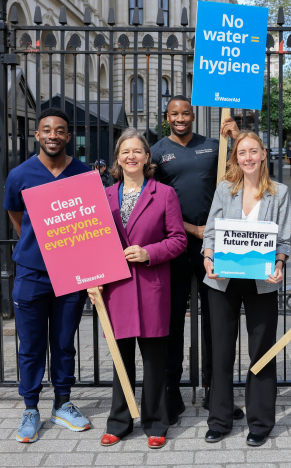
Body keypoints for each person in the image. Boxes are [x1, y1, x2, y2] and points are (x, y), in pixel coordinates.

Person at [86, 128, 187, 450]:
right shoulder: (102, 196)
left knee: (155, 360)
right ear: (118, 158)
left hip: (151, 286)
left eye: (137, 151)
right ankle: (119, 421)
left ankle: (157, 422)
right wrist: (91, 279)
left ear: (147, 157)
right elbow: (89, 243)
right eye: (125, 152)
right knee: (120, 359)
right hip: (115, 289)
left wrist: (149, 253)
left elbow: (178, 240)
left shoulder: (165, 194)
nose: (131, 156)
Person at [149, 95, 241, 424]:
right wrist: (191, 228)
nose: (180, 118)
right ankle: (171, 395)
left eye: (185, 112)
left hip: (213, 247)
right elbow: (153, 202)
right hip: (175, 246)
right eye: (174, 113)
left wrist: (234, 139)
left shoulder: (213, 146)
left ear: (193, 115)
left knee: (217, 323)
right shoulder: (157, 152)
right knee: (171, 323)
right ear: (167, 117)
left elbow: (238, 175)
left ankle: (217, 395)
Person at [4, 108, 93, 443]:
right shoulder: (20, 174)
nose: (53, 135)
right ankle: (30, 407)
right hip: (31, 272)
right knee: (30, 344)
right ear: (37, 135)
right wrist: (36, 242)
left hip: (72, 271)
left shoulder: (84, 174)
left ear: (69, 137)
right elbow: (16, 215)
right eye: (47, 130)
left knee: (63, 342)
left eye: (60, 131)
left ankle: (63, 403)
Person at [202, 132, 291, 447]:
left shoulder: (279, 193)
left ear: (264, 154)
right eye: (242, 152)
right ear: (236, 158)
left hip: (262, 281)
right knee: (222, 351)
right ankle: (220, 420)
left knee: (262, 353)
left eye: (254, 151)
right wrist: (208, 258)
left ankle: (261, 422)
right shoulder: (225, 189)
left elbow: (282, 240)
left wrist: (279, 264)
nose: (249, 157)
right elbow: (211, 232)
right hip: (222, 280)